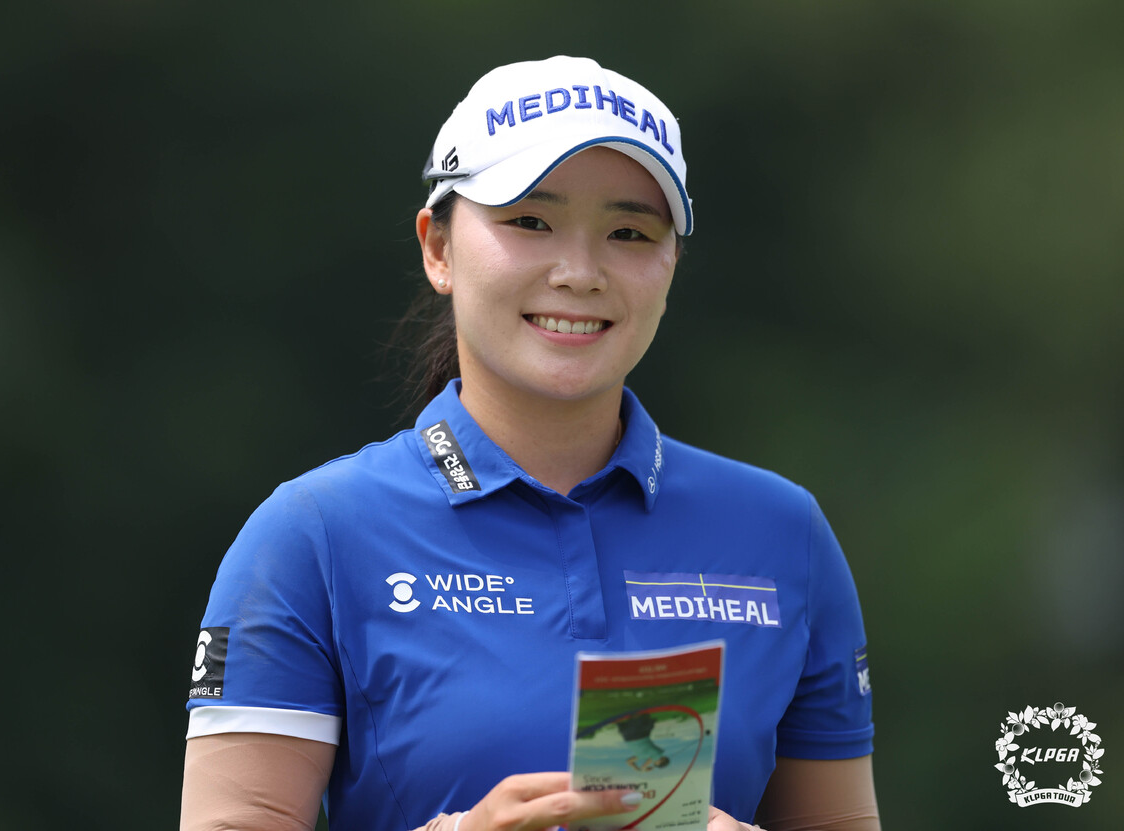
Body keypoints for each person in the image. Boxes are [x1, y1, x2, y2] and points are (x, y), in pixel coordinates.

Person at [180, 55, 881, 831]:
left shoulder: (783, 533)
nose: (579, 272)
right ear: (438, 249)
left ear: (671, 265)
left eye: (628, 232)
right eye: (530, 222)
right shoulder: (311, 533)